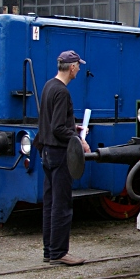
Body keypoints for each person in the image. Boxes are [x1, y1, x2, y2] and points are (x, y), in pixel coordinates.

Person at [38, 50, 91, 266]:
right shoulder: (62, 92)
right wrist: (79, 140)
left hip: (47, 151)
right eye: (78, 65)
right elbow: (59, 128)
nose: (79, 69)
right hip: (60, 153)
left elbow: (52, 122)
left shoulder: (48, 86)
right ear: (72, 67)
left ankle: (49, 250)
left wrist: (73, 126)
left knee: (50, 202)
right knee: (62, 203)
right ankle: (59, 252)